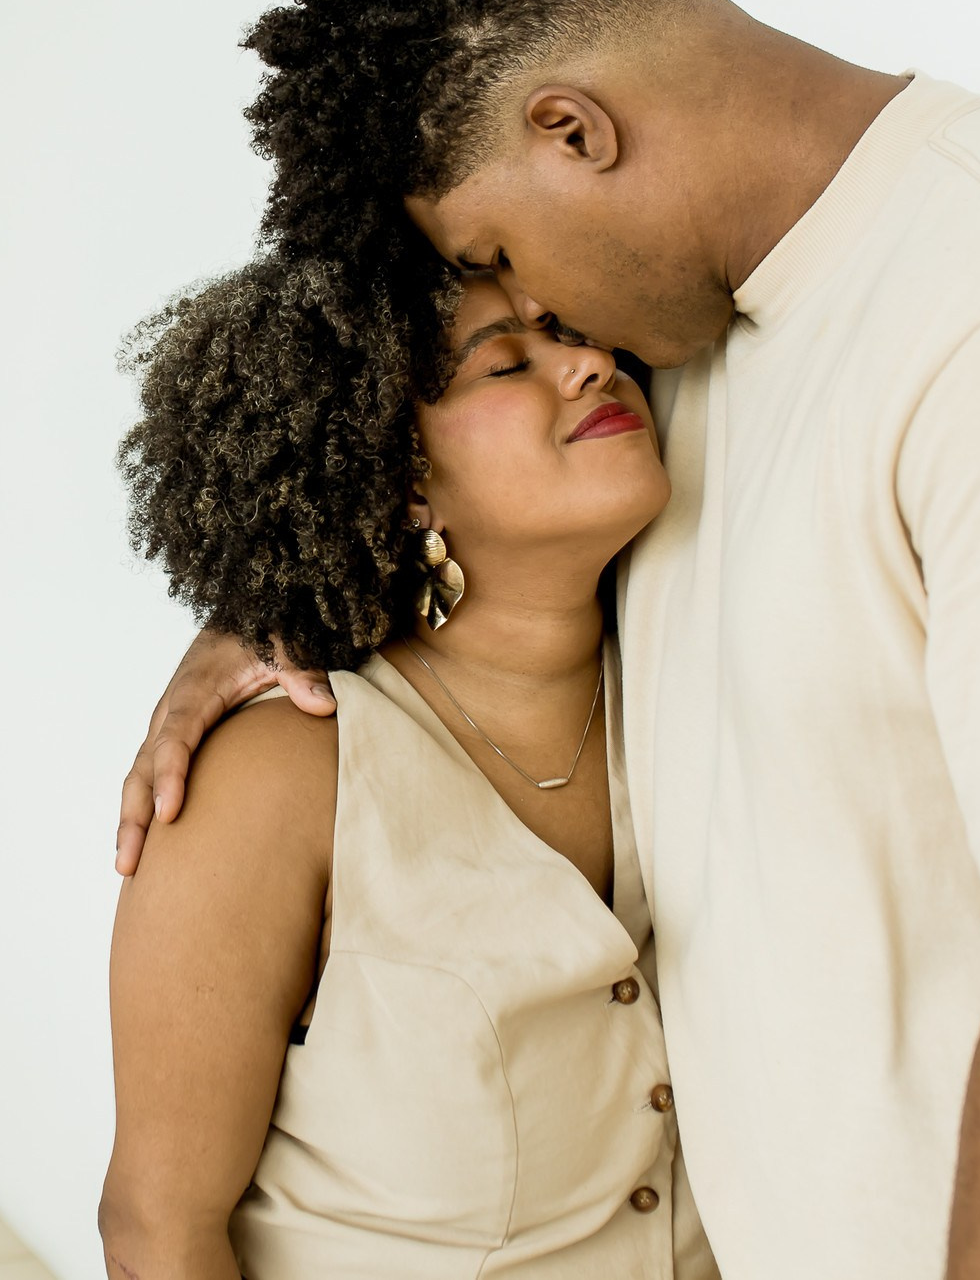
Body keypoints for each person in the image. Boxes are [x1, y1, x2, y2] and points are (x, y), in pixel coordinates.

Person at [115, 0, 980, 1279]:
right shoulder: (698, 354)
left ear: (573, 131)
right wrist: (267, 609)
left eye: (497, 258)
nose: (547, 322)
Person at [103, 258, 713, 1277]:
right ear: (400, 479)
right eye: (506, 365)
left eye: (573, 330)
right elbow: (154, 1227)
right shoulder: (274, 779)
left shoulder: (683, 687)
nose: (592, 365)